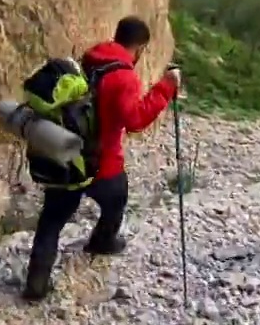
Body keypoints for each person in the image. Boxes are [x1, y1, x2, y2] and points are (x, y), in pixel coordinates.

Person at [22, 16, 182, 301]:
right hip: (103, 164)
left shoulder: (90, 58)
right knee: (116, 200)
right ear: (141, 48)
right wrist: (166, 87)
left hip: (66, 155)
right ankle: (102, 241)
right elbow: (135, 119)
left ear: (116, 35)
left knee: (51, 221)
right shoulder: (124, 77)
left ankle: (36, 283)